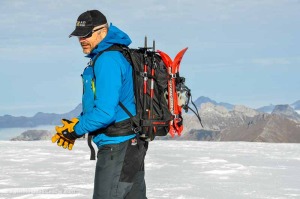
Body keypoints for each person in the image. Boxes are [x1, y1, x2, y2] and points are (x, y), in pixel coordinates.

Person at [51, 10, 148, 199]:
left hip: (116, 148)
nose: (81, 39)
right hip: (131, 145)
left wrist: (74, 130)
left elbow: (105, 113)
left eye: (86, 34)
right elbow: (110, 104)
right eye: (79, 35)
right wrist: (78, 122)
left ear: (103, 32)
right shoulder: (114, 56)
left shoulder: (107, 60)